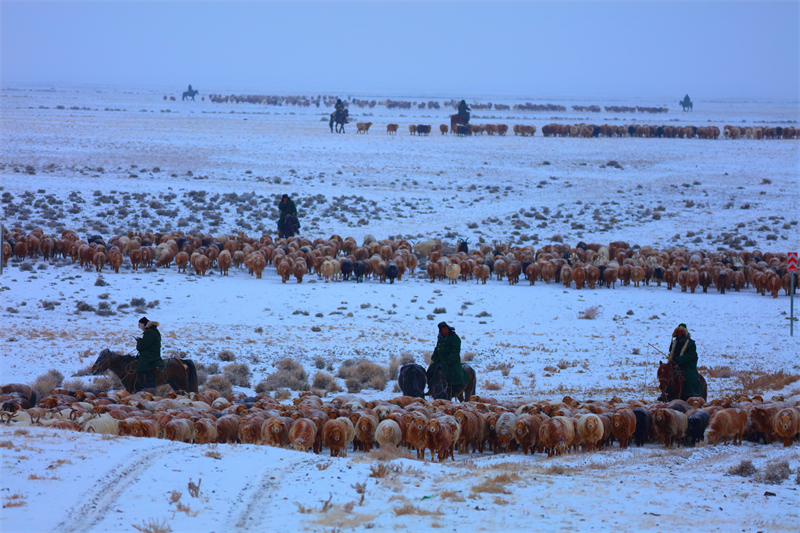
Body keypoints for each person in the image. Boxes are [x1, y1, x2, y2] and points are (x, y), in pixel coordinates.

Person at [426, 322, 468, 397]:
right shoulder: (440, 338)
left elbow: (455, 350)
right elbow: (437, 348)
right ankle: (431, 388)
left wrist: (450, 359)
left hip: (451, 359)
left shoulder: (454, 337)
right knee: (430, 371)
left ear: (448, 329)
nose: (444, 331)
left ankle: (457, 389)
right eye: (443, 330)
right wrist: (434, 355)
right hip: (440, 359)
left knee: (453, 372)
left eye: (445, 329)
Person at [667, 323, 703, 398]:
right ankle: (667, 393)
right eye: (678, 334)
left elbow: (690, 355)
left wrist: (679, 360)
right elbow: (672, 352)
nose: (680, 336)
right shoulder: (675, 343)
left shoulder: (691, 344)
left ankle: (690, 393)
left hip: (688, 365)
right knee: (667, 375)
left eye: (681, 334)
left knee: (689, 376)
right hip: (675, 364)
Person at [135, 317, 164, 390]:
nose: (141, 329)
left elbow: (141, 347)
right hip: (153, 352)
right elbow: (148, 343)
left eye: (140, 326)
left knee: (142, 365)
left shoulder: (150, 332)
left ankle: (150, 382)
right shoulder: (153, 331)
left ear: (144, 325)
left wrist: (139, 342)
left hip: (151, 355)